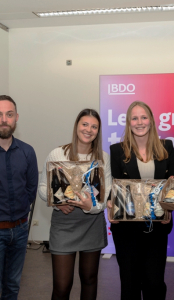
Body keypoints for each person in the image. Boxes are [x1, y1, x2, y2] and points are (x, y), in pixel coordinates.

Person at [107, 101, 174, 300]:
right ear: (129, 123)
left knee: (154, 283)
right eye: (135, 118)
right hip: (126, 229)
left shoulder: (166, 146)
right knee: (129, 284)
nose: (140, 122)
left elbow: (173, 183)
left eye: (144, 117)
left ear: (151, 121)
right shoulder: (116, 151)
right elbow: (113, 187)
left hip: (156, 226)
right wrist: (110, 205)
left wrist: (169, 210)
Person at [38, 108, 111, 300]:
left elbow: (105, 196)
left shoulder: (103, 158)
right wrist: (56, 203)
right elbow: (43, 187)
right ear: (77, 126)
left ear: (98, 131)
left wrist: (91, 207)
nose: (89, 129)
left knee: (89, 279)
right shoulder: (58, 153)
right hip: (64, 222)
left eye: (94, 126)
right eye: (85, 124)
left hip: (92, 223)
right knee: (62, 286)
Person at [0, 95, 38, 300]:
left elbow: (31, 190)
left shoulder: (27, 152)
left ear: (16, 118)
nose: (4, 119)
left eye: (9, 114)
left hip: (20, 232)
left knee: (12, 287)